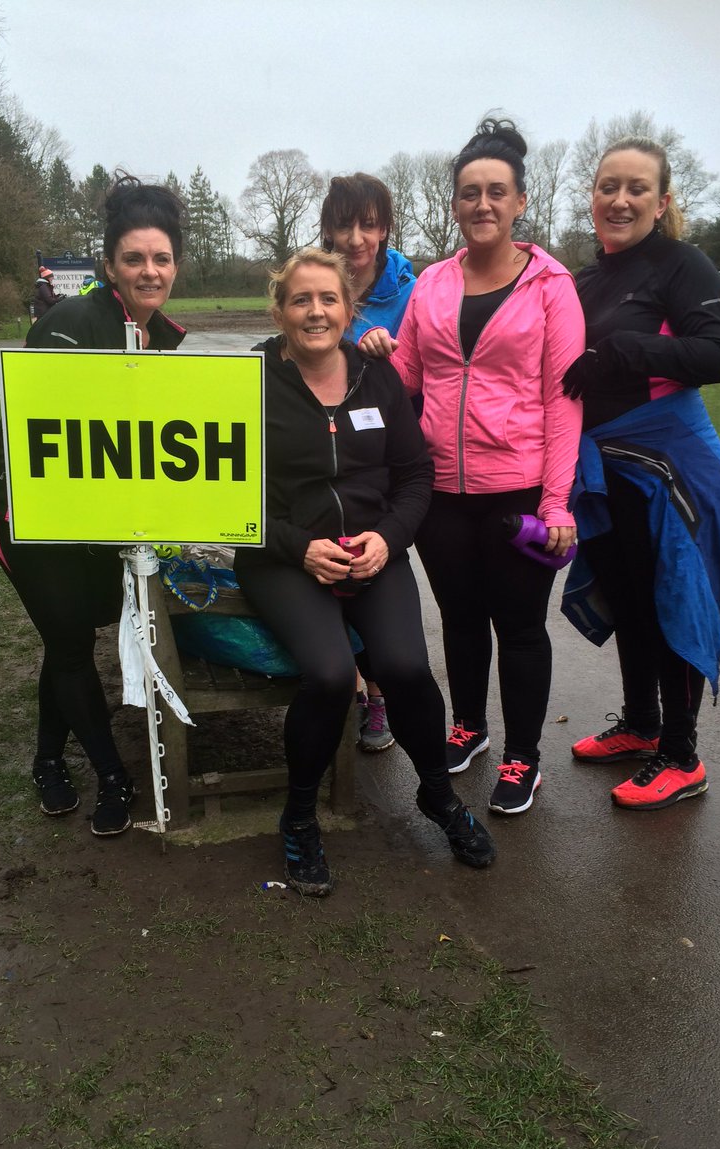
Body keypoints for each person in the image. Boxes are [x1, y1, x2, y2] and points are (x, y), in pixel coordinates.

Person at [234, 247, 496, 896]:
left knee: (406, 668)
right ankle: (298, 817)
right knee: (327, 675)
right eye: (301, 300)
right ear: (280, 309)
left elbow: (414, 475)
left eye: (328, 299)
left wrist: (386, 537)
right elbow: (229, 493)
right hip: (284, 558)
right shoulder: (250, 380)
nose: (315, 311)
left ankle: (437, 798)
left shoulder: (377, 378)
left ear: (350, 309)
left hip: (374, 552)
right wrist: (297, 547)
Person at [362, 118, 585, 817]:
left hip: (516, 490)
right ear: (454, 204)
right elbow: (410, 375)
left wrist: (557, 504)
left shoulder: (551, 286)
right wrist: (373, 352)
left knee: (518, 628)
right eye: (468, 193)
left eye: (496, 192)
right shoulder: (431, 284)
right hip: (442, 491)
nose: (481, 204)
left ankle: (523, 757)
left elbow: (562, 401)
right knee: (458, 619)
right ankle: (470, 729)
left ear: (521, 201)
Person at [0, 174, 187, 836]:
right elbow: (64, 441)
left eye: (160, 258)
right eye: (133, 258)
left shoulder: (164, 335)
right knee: (68, 638)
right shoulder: (70, 323)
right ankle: (114, 776)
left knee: (66, 637)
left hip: (92, 519)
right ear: (109, 265)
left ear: (175, 264)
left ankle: (46, 759)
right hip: (24, 514)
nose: (148, 271)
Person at [560, 137, 720, 809]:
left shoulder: (683, 264)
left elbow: (717, 355)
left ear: (662, 201)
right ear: (591, 197)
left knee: (671, 596)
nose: (619, 199)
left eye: (636, 188)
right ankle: (641, 725)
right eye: (607, 186)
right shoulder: (585, 280)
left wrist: (621, 349)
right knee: (627, 598)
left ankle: (681, 755)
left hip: (669, 467)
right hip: (605, 471)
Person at [320, 173, 417, 753]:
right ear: (328, 227)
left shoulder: (414, 289)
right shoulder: (317, 278)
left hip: (386, 457)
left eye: (370, 223)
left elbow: (428, 371)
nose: (357, 237)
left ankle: (378, 694)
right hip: (326, 457)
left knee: (377, 571)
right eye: (345, 223)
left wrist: (387, 361)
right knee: (329, 574)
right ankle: (352, 685)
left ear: (385, 227)